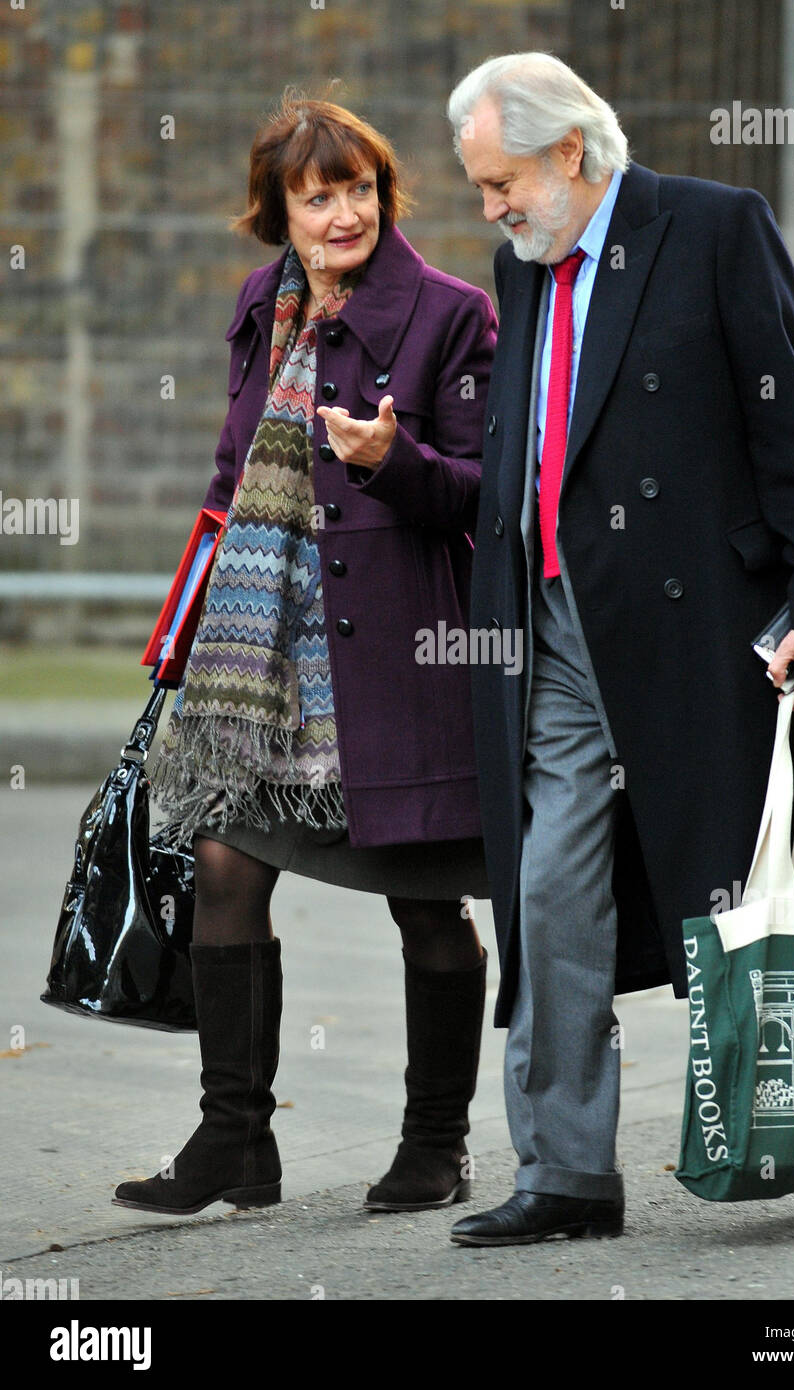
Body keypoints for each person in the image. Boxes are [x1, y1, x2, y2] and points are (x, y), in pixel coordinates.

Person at [445, 52, 794, 1246]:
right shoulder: (524, 264)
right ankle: (565, 1172)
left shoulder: (710, 228)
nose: (490, 208)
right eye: (481, 188)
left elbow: (793, 428)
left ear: (569, 153)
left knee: (748, 885)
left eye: (502, 181)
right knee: (545, 895)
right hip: (553, 626)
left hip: (701, 622)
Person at [112, 92, 497, 1219]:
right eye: (316, 196)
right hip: (259, 661)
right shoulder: (259, 306)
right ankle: (235, 1139)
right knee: (226, 867)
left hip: (399, 659)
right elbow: (233, 485)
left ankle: (436, 1142)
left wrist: (393, 460)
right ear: (276, 210)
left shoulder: (450, 316)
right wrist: (191, 632)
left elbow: (485, 494)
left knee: (426, 902)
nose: (344, 215)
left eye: (359, 190)